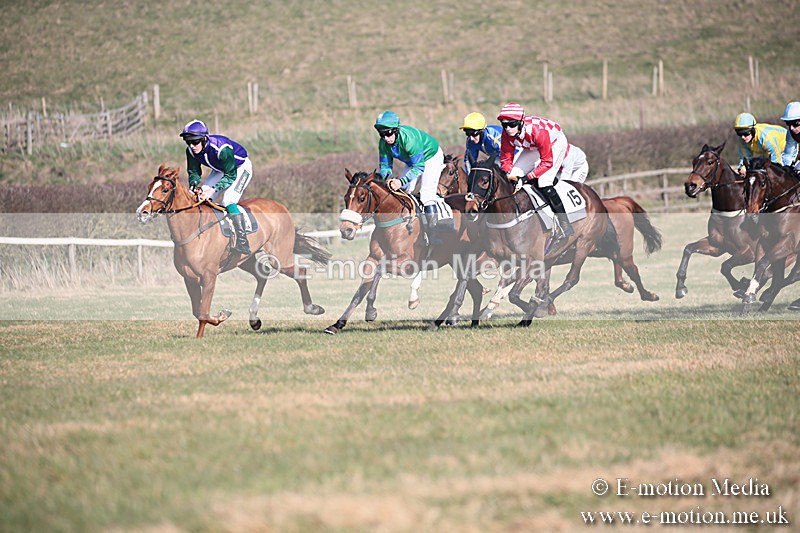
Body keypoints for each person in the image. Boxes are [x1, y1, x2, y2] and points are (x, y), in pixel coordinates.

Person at [497, 102, 574, 238]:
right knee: (513, 176)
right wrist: (509, 174)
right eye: (504, 125)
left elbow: (547, 162)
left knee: (544, 181)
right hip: (533, 146)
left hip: (554, 144)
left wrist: (526, 178)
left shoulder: (537, 131)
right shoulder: (507, 134)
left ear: (521, 122)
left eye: (512, 124)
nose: (508, 129)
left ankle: (565, 223)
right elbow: (506, 159)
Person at [374, 110, 452, 245]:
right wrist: (384, 180)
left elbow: (419, 167)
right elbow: (386, 166)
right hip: (413, 161)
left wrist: (401, 181)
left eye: (388, 133)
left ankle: (434, 234)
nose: (386, 138)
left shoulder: (409, 140)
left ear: (396, 130)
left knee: (426, 195)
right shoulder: (383, 143)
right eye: (382, 134)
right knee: (403, 190)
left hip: (430, 157)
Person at [179, 119, 253, 255]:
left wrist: (213, 189)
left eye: (195, 142)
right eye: (188, 142)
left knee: (228, 200)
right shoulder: (191, 151)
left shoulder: (222, 149)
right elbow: (194, 172)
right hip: (220, 169)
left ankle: (243, 241)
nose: (192, 146)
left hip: (240, 168)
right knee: (201, 198)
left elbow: (230, 175)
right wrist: (193, 186)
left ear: (204, 139)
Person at [733, 112, 786, 176]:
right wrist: (742, 169)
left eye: (745, 133)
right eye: (739, 134)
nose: (743, 137)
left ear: (753, 130)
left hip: (785, 147)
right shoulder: (742, 139)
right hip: (766, 152)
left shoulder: (766, 138)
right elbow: (745, 159)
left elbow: (776, 163)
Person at [780, 101, 800, 171]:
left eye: (795, 123)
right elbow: (788, 153)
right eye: (788, 123)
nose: (791, 128)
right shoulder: (790, 131)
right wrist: (787, 167)